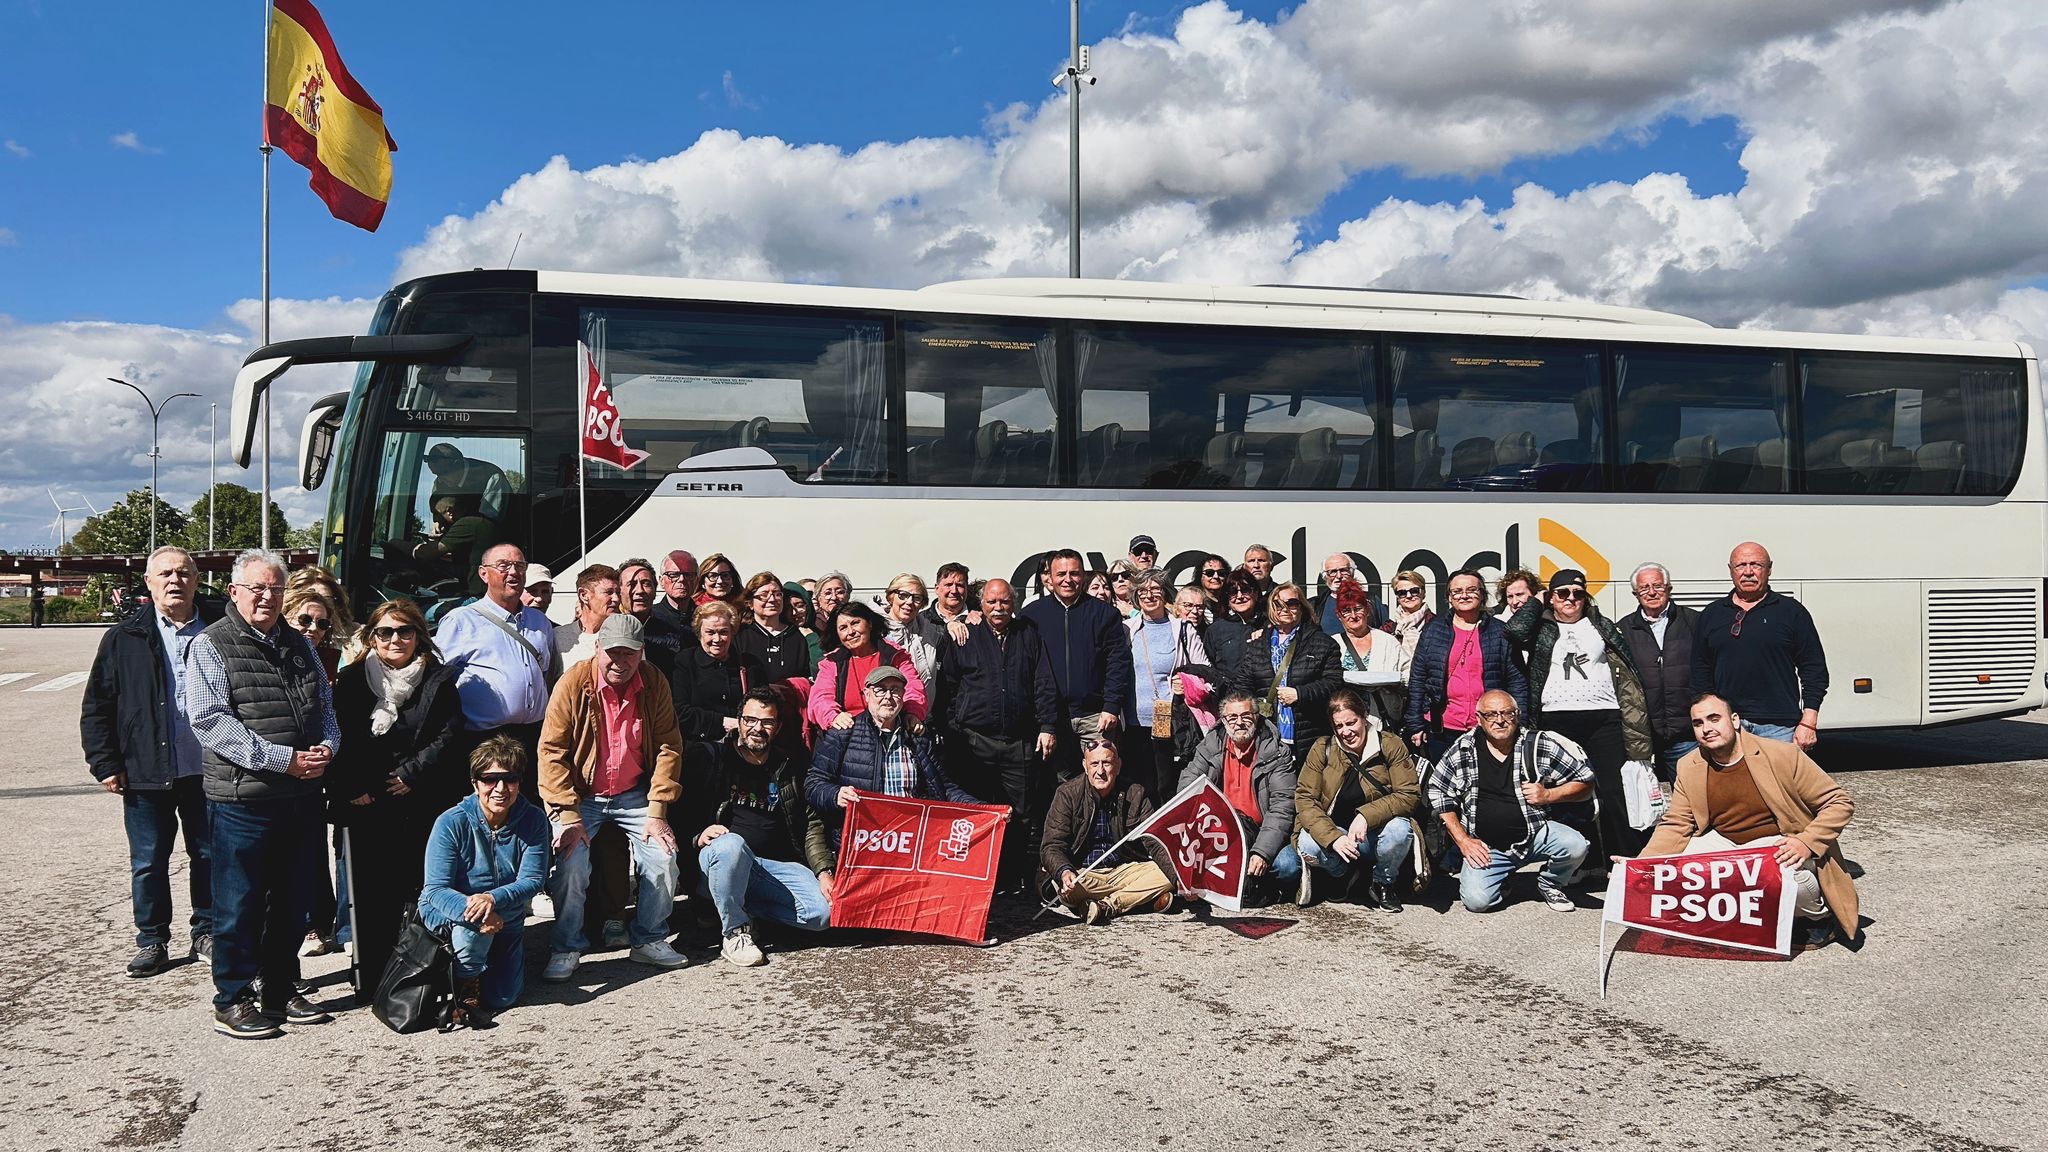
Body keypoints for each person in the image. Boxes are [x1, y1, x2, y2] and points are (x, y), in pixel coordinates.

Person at [185, 549, 340, 1038]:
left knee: (293, 901)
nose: (267, 597)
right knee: (240, 904)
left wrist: (328, 749)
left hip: (300, 796)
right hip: (243, 800)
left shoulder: (300, 644)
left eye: (275, 589)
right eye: (257, 588)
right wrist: (282, 760)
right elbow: (209, 721)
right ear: (235, 592)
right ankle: (232, 997)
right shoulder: (213, 644)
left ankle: (279, 986)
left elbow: (326, 709)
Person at [81, 545, 219, 978]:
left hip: (210, 768)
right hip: (144, 771)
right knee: (148, 861)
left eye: (183, 573)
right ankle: (153, 939)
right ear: (149, 582)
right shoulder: (124, 637)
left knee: (210, 855)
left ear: (197, 580)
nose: (175, 580)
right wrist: (105, 763)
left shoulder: (221, 627)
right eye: (165, 574)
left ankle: (207, 931)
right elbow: (98, 706)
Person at [1642, 693, 1860, 950]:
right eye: (1698, 723)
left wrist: (1806, 842)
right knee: (1677, 868)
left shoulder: (1782, 755)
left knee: (1790, 875)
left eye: (1714, 718)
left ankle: (1817, 918)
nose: (1707, 728)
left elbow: (1839, 802)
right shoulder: (1689, 765)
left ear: (1734, 720)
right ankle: (1743, 916)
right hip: (1728, 843)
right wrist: (1641, 865)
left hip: (1780, 841)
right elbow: (1677, 822)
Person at [538, 614, 690, 980]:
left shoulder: (654, 681)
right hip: (580, 795)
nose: (620, 662)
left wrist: (658, 809)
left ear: (642, 654)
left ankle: (649, 940)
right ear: (598, 648)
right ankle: (567, 945)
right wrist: (568, 814)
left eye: (630, 654)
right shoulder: (573, 683)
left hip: (634, 792)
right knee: (570, 865)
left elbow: (669, 746)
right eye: (613, 653)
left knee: (663, 857)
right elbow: (551, 751)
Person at [330, 597, 463, 993]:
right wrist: (359, 788)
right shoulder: (353, 681)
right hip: (369, 802)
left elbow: (449, 736)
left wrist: (411, 774)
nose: (394, 639)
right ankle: (373, 979)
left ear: (418, 636)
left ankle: (422, 975)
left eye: (404, 631)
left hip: (422, 797)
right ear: (371, 638)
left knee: (421, 888)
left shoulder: (439, 679)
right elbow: (342, 736)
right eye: (384, 632)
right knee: (374, 895)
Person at [1504, 567, 1655, 860]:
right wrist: (1537, 600)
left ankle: (1623, 860)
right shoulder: (1541, 627)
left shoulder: (1601, 624)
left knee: (1614, 791)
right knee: (1567, 794)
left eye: (1577, 593)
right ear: (1552, 597)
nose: (1570, 599)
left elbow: (1627, 670)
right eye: (1562, 593)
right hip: (1556, 718)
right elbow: (1513, 631)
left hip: (1604, 717)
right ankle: (1581, 861)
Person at [679, 689, 833, 967]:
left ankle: (739, 906)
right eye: (750, 720)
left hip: (774, 866)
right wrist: (697, 834)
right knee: (732, 844)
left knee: (821, 915)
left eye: (767, 722)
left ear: (778, 727)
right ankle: (735, 932)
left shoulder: (789, 765)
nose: (757, 728)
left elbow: (811, 823)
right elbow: (678, 809)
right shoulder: (711, 758)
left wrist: (823, 870)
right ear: (738, 721)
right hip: (721, 860)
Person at [419, 735, 550, 1025]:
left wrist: (493, 899)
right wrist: (478, 914)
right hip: (452, 911)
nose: (501, 788)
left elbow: (533, 879)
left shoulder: (533, 819)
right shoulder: (450, 822)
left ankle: (470, 969)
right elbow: (435, 888)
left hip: (506, 916)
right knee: (473, 932)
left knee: (505, 996)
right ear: (475, 782)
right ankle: (465, 991)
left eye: (510, 779)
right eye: (490, 779)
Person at [938, 578, 1060, 891]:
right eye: (992, 602)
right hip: (973, 740)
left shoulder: (1028, 634)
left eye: (1004, 601)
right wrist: (953, 729)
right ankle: (975, 875)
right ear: (981, 603)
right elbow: (948, 686)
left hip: (1018, 740)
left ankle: (1009, 878)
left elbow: (1043, 682)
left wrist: (1047, 726)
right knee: (975, 810)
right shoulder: (965, 634)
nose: (998, 608)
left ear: (1013, 604)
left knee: (1019, 813)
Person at [1424, 689, 1594, 914]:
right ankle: (1501, 880)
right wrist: (1463, 841)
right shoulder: (1464, 748)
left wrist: (1549, 795)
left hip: (1534, 833)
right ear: (1479, 719)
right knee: (1477, 902)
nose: (1500, 720)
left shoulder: (1537, 744)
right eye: (1491, 715)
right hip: (1487, 845)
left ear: (1518, 714)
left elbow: (1586, 780)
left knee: (1576, 846)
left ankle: (1551, 882)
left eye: (1507, 713)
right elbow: (1438, 790)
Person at [804, 665, 975, 859]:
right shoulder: (844, 734)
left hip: (912, 842)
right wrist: (836, 795)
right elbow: (813, 784)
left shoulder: (917, 737)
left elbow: (944, 788)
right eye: (880, 689)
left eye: (895, 690)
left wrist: (982, 810)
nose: (888, 696)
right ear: (866, 695)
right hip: (862, 846)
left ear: (903, 696)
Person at [435, 543, 558, 783]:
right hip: (484, 740)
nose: (513, 572)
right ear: (483, 573)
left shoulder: (540, 622)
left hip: (534, 736)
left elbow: (542, 673)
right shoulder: (461, 620)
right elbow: (437, 679)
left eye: (519, 566)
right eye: (503, 566)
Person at [1692, 542, 1829, 749]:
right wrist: (1709, 721)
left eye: (1756, 565)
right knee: (1730, 783)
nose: (1748, 572)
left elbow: (1814, 670)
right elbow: (1700, 672)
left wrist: (1808, 722)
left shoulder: (1791, 612)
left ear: (1769, 569)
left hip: (1779, 728)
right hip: (1728, 726)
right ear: (1731, 570)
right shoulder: (1712, 614)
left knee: (1779, 782)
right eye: (1741, 566)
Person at [1292, 688, 1418, 910]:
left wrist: (1366, 815)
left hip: (1374, 835)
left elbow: (1409, 795)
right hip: (1339, 834)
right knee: (1307, 842)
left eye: (1351, 723)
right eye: (1339, 726)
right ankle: (1342, 873)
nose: (1346, 731)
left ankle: (1382, 883)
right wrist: (1333, 838)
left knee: (1400, 829)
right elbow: (1305, 799)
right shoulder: (1323, 748)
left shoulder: (1390, 744)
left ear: (1364, 717)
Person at [1020, 549, 1132, 780]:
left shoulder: (1104, 614)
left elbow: (1117, 662)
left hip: (1096, 717)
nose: (1068, 579)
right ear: (1049, 578)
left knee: (1102, 779)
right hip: (1051, 718)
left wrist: (1111, 705)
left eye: (1075, 573)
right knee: (1061, 783)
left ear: (1083, 576)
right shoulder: (1031, 616)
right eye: (1061, 574)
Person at [1040, 741, 1177, 924]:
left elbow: (1154, 842)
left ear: (1118, 765)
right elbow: (1051, 846)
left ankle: (1106, 906)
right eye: (1094, 764)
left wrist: (1179, 880)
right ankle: (1137, 900)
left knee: (1168, 873)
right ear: (1085, 766)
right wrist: (1064, 872)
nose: (1100, 771)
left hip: (1122, 871)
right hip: (1083, 873)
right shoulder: (1067, 794)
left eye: (1107, 763)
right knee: (1063, 885)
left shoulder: (1135, 793)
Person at [1182, 690, 1298, 901]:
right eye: (1232, 717)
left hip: (1263, 831)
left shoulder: (1277, 752)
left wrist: (1262, 852)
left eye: (1246, 716)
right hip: (1221, 832)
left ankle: (1264, 884)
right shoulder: (1209, 746)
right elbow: (1188, 787)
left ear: (1256, 716)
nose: (1239, 723)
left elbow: (1283, 806)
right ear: (1223, 720)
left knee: (1286, 866)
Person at [1405, 569, 1528, 763]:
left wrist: (1520, 724)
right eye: (1457, 591)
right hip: (1442, 728)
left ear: (1482, 595)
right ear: (1449, 598)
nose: (1464, 595)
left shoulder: (1500, 632)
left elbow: (1517, 681)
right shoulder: (1433, 630)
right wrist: (1415, 724)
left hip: (1491, 726)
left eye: (1471, 590)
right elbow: (1418, 678)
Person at [1121, 570, 1213, 808]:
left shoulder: (1182, 629)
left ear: (1165, 593)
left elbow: (1206, 674)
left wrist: (1186, 680)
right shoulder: (1125, 630)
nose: (1149, 595)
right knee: (1139, 788)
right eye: (1143, 590)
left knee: (1166, 786)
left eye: (1156, 589)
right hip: (1132, 724)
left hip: (1171, 723)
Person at [1236, 581, 1342, 765]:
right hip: (1268, 734)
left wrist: (1300, 694)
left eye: (1291, 603)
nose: (1284, 608)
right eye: (1278, 604)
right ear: (1271, 608)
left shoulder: (1323, 643)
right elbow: (1242, 684)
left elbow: (1334, 682)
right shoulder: (1257, 645)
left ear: (1302, 606)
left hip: (1309, 734)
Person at [1619, 561, 1702, 777]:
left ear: (1669, 589)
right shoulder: (1624, 629)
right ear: (1635, 594)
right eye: (1644, 588)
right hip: (1643, 736)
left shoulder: (1693, 621)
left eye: (1657, 586)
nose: (1651, 592)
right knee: (1647, 804)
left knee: (1690, 796)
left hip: (1686, 734)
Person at [807, 601, 930, 731]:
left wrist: (912, 713)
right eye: (843, 628)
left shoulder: (894, 655)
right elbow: (820, 698)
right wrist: (833, 716)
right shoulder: (832, 662)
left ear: (869, 624)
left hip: (890, 729)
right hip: (848, 732)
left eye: (855, 623)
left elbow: (913, 689)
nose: (851, 632)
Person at [668, 601, 769, 742]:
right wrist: (722, 722)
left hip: (742, 745)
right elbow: (678, 711)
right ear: (699, 634)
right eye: (710, 632)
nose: (717, 639)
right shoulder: (684, 662)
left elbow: (763, 705)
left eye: (723, 632)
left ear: (732, 632)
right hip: (699, 745)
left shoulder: (750, 665)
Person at [1328, 577, 1406, 729]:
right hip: (1344, 724)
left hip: (1382, 718)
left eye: (1358, 609)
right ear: (1339, 616)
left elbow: (1408, 676)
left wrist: (1394, 682)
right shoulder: (1332, 644)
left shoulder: (1388, 642)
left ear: (1367, 610)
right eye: (1346, 611)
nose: (1353, 615)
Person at [410, 495, 500, 598]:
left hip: (479, 596)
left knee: (428, 612)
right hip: (475, 592)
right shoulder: (479, 522)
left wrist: (397, 543)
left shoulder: (467, 524)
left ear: (449, 511)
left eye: (436, 514)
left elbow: (427, 553)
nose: (435, 519)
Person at [737, 572, 813, 683]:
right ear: (750, 603)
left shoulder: (798, 637)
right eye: (764, 595)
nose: (772, 599)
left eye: (777, 594)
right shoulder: (740, 635)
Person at [619, 557, 686, 678]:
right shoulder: (608, 627)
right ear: (619, 591)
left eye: (646, 584)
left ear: (655, 590)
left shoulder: (672, 627)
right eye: (631, 584)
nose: (640, 591)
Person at [881, 573, 948, 690]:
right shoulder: (876, 630)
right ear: (891, 596)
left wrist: (953, 623)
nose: (909, 602)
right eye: (903, 595)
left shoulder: (929, 631)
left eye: (917, 598)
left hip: (925, 707)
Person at [1204, 568, 1263, 689]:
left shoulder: (1270, 624)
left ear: (1256, 593)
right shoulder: (1216, 630)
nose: (1240, 596)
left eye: (1245, 590)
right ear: (1227, 599)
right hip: (1229, 698)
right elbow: (1209, 667)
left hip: (1264, 696)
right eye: (1233, 592)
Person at [553, 564, 620, 669]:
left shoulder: (625, 635)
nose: (616, 599)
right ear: (584, 595)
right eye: (608, 592)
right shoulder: (557, 637)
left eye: (618, 593)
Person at [424, 442, 508, 521]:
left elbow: (487, 522)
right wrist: (438, 522)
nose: (440, 480)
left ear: (458, 465)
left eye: (444, 474)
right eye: (436, 474)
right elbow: (437, 512)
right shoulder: (440, 482)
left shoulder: (492, 477)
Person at [1384, 569, 1434, 669]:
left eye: (1414, 591)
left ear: (1423, 592)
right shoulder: (1387, 629)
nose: (1409, 596)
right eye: (1402, 593)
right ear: (1397, 597)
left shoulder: (1438, 625)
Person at [652, 550, 699, 650]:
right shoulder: (650, 617)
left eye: (688, 575)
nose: (682, 579)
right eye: (673, 575)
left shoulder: (705, 617)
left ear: (696, 581)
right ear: (661, 581)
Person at [922, 562, 976, 634]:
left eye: (959, 585)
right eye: (948, 585)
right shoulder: (921, 621)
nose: (954, 591)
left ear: (967, 589)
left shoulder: (977, 620)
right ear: (936, 588)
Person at [813, 571, 852, 637]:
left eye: (839, 592)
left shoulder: (857, 619)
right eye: (828, 593)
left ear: (848, 596)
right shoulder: (813, 624)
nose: (834, 597)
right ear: (819, 599)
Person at [1195, 553, 1231, 619]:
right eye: (1209, 573)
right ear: (1200, 576)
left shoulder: (1233, 602)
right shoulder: (1194, 603)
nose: (1216, 576)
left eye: (1221, 573)